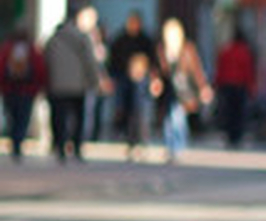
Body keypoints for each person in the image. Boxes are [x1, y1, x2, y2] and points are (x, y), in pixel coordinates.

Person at [42, 10, 102, 162]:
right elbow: (90, 62)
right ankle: (76, 147)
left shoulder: (52, 40)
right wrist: (94, 82)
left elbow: (44, 63)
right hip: (78, 85)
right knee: (78, 117)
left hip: (57, 84)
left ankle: (60, 146)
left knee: (58, 117)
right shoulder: (82, 38)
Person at [107, 10, 158, 158]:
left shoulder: (145, 40)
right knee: (123, 109)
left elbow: (153, 61)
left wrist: (151, 76)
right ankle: (127, 138)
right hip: (123, 79)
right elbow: (113, 60)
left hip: (141, 82)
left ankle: (141, 140)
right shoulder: (120, 39)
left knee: (141, 111)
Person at [157, 17, 207, 163]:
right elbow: (159, 69)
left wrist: (203, 87)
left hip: (183, 90)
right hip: (168, 89)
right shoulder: (162, 49)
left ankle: (178, 147)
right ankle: (169, 147)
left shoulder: (187, 48)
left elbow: (196, 69)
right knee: (168, 119)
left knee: (178, 118)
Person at [0, 22, 44, 161]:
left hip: (9, 89)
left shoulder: (7, 48)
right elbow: (39, 69)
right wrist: (39, 87)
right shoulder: (31, 49)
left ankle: (14, 141)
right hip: (26, 90)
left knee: (12, 116)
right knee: (23, 118)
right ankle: (18, 142)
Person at [212, 25, 256, 149]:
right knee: (239, 112)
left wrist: (217, 84)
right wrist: (251, 87)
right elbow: (248, 71)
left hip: (227, 85)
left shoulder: (226, 50)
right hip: (240, 86)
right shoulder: (245, 52)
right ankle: (237, 136)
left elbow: (220, 68)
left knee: (229, 111)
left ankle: (230, 134)